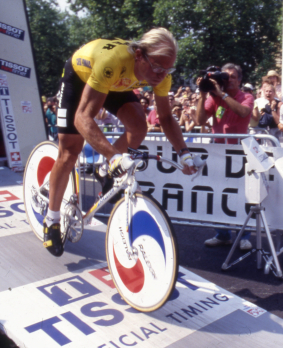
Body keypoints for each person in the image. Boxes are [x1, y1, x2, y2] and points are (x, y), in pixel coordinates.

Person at [43, 28, 197, 257]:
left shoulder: (161, 71)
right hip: (82, 76)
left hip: (117, 83)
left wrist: (184, 153)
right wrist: (113, 154)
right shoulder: (113, 61)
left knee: (138, 126)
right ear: (138, 56)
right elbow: (82, 117)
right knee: (70, 152)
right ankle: (51, 219)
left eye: (168, 69)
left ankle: (105, 173)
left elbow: (165, 117)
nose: (161, 75)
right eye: (157, 67)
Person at [195, 63, 254, 250]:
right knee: (218, 193)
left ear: (240, 80)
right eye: (225, 76)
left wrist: (222, 94)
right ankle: (222, 234)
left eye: (233, 77)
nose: (228, 80)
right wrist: (203, 94)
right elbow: (200, 120)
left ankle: (244, 235)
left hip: (239, 153)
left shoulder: (247, 97)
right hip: (218, 153)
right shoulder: (214, 97)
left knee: (242, 196)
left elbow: (243, 112)